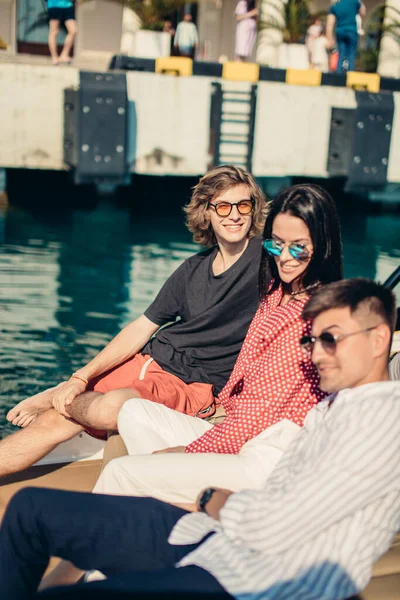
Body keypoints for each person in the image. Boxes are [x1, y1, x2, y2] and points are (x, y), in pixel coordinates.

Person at [1, 278, 399, 600]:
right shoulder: (330, 408)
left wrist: (209, 499)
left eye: (331, 340)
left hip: (252, 580)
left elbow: (270, 527)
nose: (315, 355)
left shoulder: (379, 425)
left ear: (381, 340)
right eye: (311, 341)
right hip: (214, 539)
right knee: (29, 508)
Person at [0, 165, 266, 479]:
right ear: (207, 213)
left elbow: (306, 258)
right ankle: (64, 394)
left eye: (243, 205)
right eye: (223, 206)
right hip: (149, 360)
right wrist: (80, 376)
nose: (234, 215)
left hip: (189, 383)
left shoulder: (264, 259)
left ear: (253, 210)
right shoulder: (192, 269)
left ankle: (59, 397)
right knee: (53, 423)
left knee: (111, 409)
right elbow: (141, 327)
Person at [92, 183, 343, 505]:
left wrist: (186, 451)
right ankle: (167, 504)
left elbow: (257, 419)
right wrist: (217, 409)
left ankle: (117, 525)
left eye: (298, 248)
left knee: (122, 472)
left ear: (323, 246)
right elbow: (246, 389)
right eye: (276, 244)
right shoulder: (277, 294)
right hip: (238, 428)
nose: (284, 257)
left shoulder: (313, 317)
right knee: (134, 412)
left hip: (270, 456)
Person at [326, 0, 366, 72]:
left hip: (340, 31)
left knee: (341, 54)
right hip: (352, 30)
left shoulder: (335, 4)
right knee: (351, 54)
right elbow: (363, 12)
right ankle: (350, 73)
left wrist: (329, 38)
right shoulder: (354, 1)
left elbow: (330, 24)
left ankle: (339, 75)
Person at [47, 0, 77, 66]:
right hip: (54, 6)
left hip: (68, 6)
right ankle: (54, 57)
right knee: (54, 31)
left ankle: (64, 55)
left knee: (73, 31)